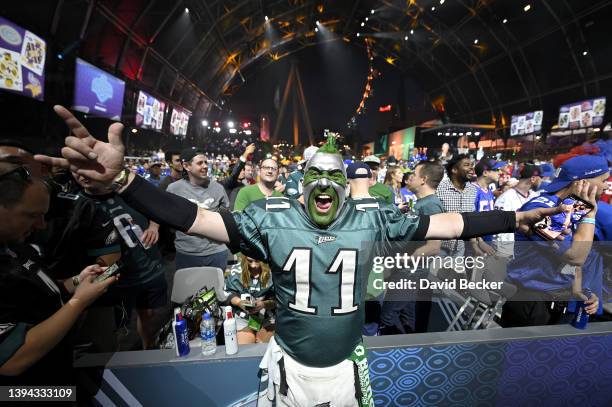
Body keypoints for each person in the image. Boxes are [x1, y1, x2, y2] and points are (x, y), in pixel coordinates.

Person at [38, 105, 561, 407]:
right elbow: (191, 218)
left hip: (346, 366)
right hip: (289, 364)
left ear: (344, 184)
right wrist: (127, 181)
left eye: (338, 175)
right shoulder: (272, 220)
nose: (329, 183)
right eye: (320, 175)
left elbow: (450, 221)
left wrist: (512, 218)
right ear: (303, 182)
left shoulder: (371, 218)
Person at [0, 164, 117, 386]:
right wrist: (79, 301)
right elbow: (12, 360)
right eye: (32, 215)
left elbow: (38, 294)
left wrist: (76, 282)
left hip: (55, 371)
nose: (41, 225)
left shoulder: (15, 245)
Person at [501, 155, 609, 327]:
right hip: (531, 303)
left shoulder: (572, 206)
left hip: (559, 301)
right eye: (603, 180)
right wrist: (590, 215)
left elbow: (576, 262)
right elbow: (575, 256)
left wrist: (580, 290)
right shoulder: (540, 209)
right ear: (581, 182)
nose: (606, 186)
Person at [72, 172, 167, 350]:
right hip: (116, 279)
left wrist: (154, 226)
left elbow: (156, 207)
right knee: (115, 329)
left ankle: (148, 350)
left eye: (85, 169)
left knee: (148, 315)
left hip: (149, 268)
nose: (81, 175)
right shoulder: (77, 204)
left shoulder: (127, 190)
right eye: (75, 170)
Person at [380, 160, 445, 334]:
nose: (410, 177)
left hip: (410, 272)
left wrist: (401, 261)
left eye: (414, 175)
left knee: (388, 317)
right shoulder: (421, 203)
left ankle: (390, 357)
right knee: (406, 317)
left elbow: (433, 247)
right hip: (407, 271)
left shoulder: (431, 205)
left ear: (423, 179)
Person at [167, 148, 230, 271]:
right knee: (188, 290)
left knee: (216, 290)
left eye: (206, 162)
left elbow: (226, 218)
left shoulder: (217, 188)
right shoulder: (173, 189)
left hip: (216, 252)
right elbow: (165, 216)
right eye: (200, 163)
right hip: (187, 253)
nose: (205, 166)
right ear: (186, 166)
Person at [493, 164, 542, 258]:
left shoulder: (535, 196)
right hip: (509, 251)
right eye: (540, 177)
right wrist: (504, 252)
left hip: (528, 250)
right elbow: (498, 226)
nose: (541, 180)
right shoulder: (506, 198)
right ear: (533, 179)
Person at [224, 256, 275, 344]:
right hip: (243, 316)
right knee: (245, 348)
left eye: (257, 261)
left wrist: (264, 304)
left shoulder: (274, 271)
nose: (253, 265)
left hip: (267, 317)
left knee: (264, 347)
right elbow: (228, 293)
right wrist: (239, 302)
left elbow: (281, 299)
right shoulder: (235, 271)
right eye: (250, 261)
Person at [436, 154, 477, 257]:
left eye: (472, 164)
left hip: (459, 248)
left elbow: (470, 219)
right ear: (454, 170)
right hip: (439, 248)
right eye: (467, 165)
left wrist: (475, 244)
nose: (472, 167)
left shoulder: (472, 190)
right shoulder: (439, 188)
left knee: (455, 273)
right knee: (434, 273)